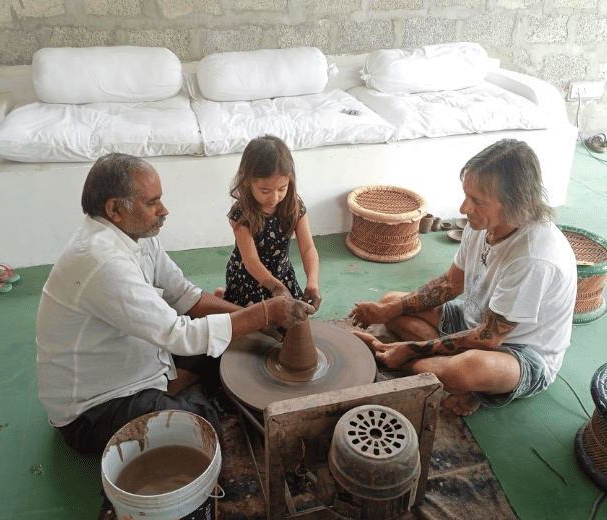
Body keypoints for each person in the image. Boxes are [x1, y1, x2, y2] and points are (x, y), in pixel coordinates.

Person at [36, 153, 315, 455]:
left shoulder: (138, 236)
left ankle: (174, 388)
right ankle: (178, 396)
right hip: (95, 408)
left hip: (139, 360)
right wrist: (263, 313)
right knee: (202, 421)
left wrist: (256, 322)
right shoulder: (102, 262)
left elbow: (185, 296)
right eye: (152, 202)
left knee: (231, 342)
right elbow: (178, 334)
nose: (163, 210)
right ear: (115, 209)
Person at [349, 139, 577, 417]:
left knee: (468, 370)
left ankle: (395, 359)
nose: (463, 208)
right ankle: (446, 376)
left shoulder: (534, 258)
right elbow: (450, 284)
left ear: (517, 203)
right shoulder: (482, 223)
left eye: (477, 201)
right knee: (392, 303)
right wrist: (387, 311)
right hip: (476, 321)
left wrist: (411, 350)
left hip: (521, 352)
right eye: (466, 195)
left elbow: (490, 339)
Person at [215, 135, 322, 311]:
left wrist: (312, 283)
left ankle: (221, 300)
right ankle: (220, 299)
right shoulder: (241, 213)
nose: (274, 198)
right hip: (249, 279)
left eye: (282, 189)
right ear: (248, 181)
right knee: (252, 327)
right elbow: (251, 261)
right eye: (265, 190)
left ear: (290, 180)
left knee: (291, 325)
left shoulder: (294, 205)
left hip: (282, 275)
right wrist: (276, 288)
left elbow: (307, 248)